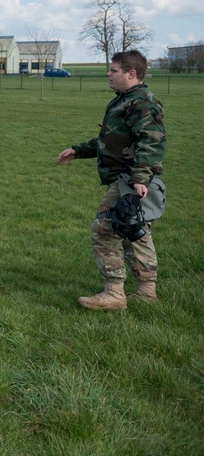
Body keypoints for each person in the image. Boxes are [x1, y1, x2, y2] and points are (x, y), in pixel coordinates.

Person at [57, 50, 166, 310]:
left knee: (105, 228)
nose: (108, 74)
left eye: (113, 70)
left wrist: (140, 178)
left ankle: (115, 293)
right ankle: (147, 291)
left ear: (131, 73)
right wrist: (79, 150)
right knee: (134, 230)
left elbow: (151, 142)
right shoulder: (125, 99)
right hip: (127, 177)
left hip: (130, 178)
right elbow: (113, 140)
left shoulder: (142, 102)